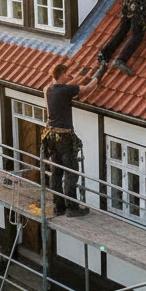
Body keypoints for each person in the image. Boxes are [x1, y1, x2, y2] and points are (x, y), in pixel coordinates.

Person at [43, 63, 99, 216]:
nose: (68, 77)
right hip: (64, 137)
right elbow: (86, 89)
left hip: (51, 136)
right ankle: (72, 208)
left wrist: (83, 77)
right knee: (71, 171)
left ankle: (58, 206)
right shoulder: (65, 91)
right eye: (67, 75)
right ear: (62, 75)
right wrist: (97, 78)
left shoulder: (48, 89)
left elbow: (66, 86)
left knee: (56, 171)